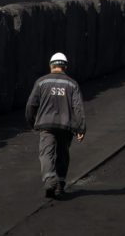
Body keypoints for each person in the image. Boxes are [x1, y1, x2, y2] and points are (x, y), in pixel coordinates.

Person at [25, 52, 86, 199]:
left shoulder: (41, 82)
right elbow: (78, 108)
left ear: (51, 65)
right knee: (62, 154)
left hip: (46, 125)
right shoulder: (72, 84)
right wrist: (81, 127)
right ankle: (60, 184)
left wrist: (32, 122)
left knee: (46, 153)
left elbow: (31, 105)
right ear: (65, 67)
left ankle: (49, 179)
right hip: (66, 126)